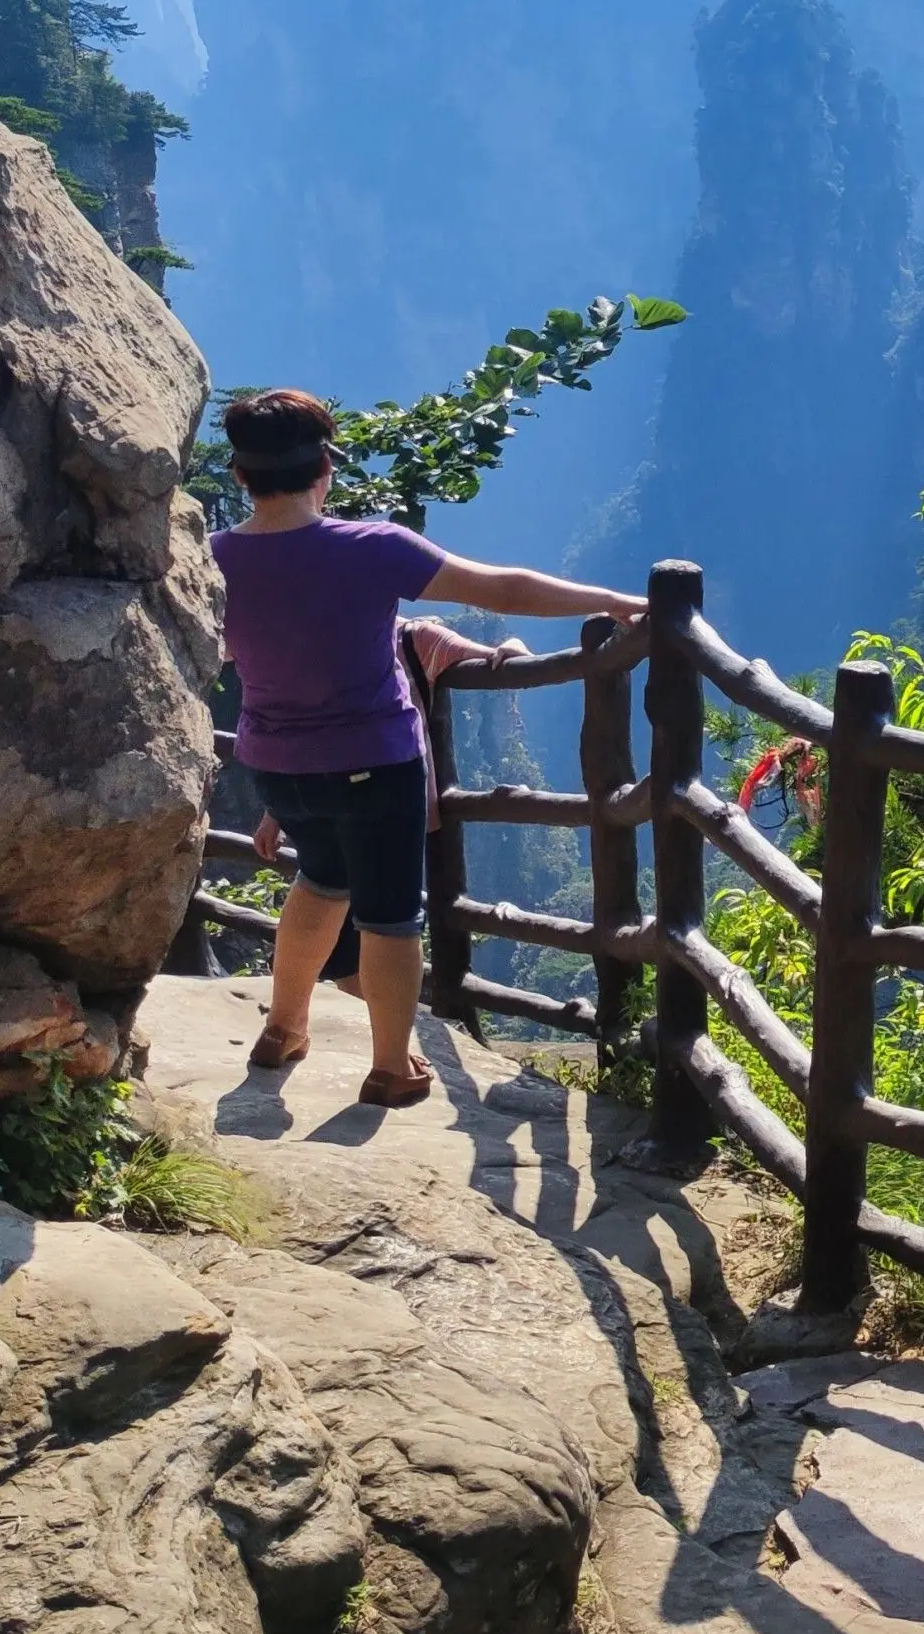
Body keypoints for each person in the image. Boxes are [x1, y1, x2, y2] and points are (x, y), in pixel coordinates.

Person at [209, 388, 649, 1106]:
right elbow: (501, 587)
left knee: (319, 881)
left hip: (276, 768)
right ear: (326, 468)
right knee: (389, 913)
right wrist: (612, 601)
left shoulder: (216, 557)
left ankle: (283, 1027)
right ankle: (391, 1065)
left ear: (240, 476)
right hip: (370, 762)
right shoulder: (373, 547)